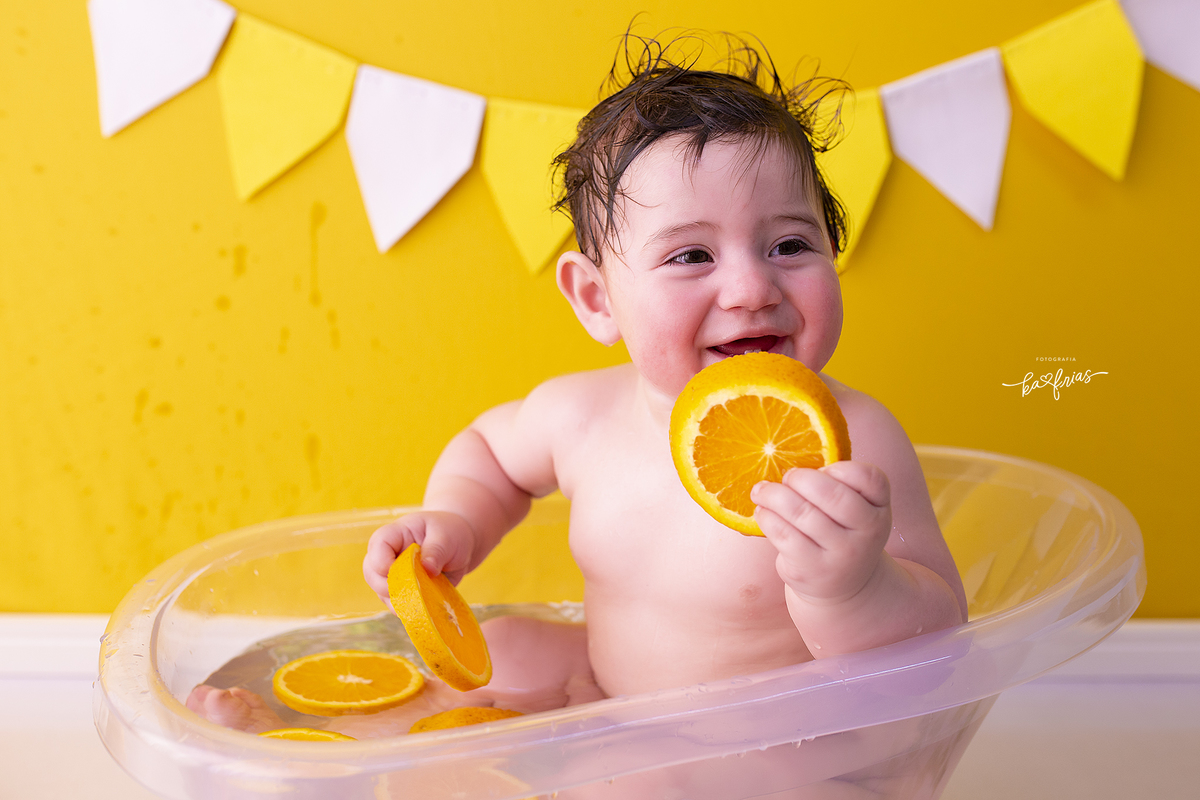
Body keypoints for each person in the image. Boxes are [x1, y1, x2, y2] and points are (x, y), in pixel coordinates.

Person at [190, 34, 966, 740]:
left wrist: (856, 588)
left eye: (790, 244)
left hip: (762, 742)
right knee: (503, 647)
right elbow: (490, 453)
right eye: (691, 257)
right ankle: (325, 736)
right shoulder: (580, 414)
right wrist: (457, 524)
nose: (751, 287)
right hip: (603, 690)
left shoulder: (849, 444)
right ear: (596, 299)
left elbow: (933, 653)